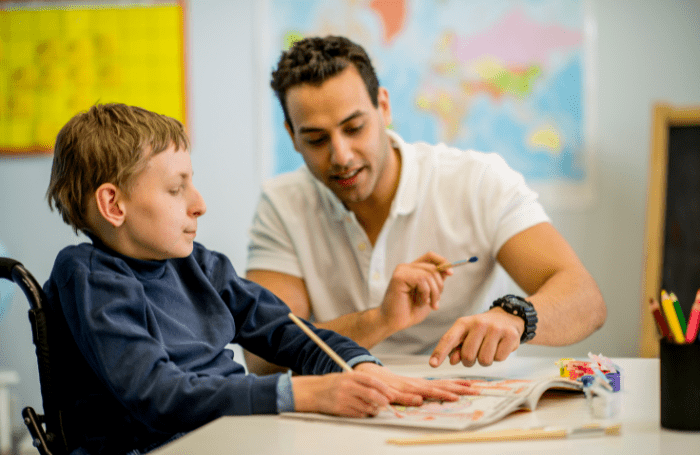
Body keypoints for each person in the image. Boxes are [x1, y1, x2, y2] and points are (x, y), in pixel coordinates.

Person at [43, 103, 475, 455]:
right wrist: (304, 394)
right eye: (176, 190)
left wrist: (360, 368)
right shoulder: (88, 276)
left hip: (225, 436)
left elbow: (286, 329)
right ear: (113, 204)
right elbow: (158, 397)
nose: (199, 204)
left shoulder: (198, 263)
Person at [245, 35, 606, 373]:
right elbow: (262, 357)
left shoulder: (478, 181)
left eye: (354, 128)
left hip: (463, 401)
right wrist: (380, 320)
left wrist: (514, 317)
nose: (341, 156)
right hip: (339, 403)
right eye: (316, 139)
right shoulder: (282, 204)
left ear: (383, 108)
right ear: (292, 136)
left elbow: (586, 299)